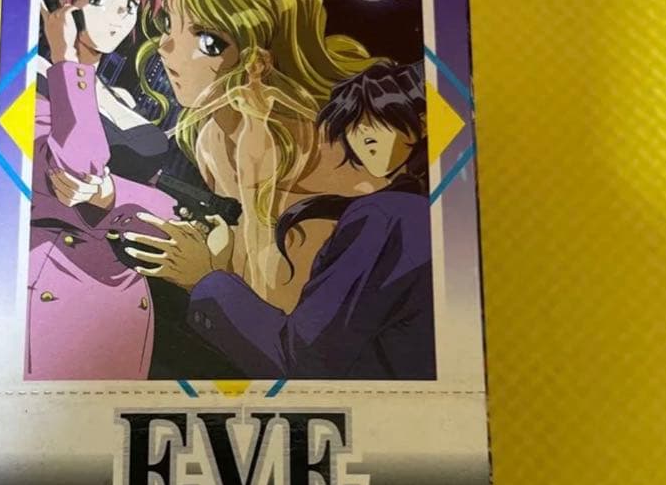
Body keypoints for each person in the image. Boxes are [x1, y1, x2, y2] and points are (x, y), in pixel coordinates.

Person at [122, 61, 436, 380]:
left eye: (376, 118)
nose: (361, 134)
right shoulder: (405, 211)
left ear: (423, 123)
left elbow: (303, 362)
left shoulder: (390, 216)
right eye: (354, 121)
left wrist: (203, 277)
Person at [135, 0, 381, 312]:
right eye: (168, 21)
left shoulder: (309, 150)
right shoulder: (211, 139)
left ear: (260, 60)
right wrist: (220, 250)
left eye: (208, 41)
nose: (167, 47)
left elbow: (281, 312)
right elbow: (249, 256)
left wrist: (204, 276)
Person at [26, 0, 174, 381]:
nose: (119, 16)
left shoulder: (119, 96)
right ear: (61, 6)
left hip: (126, 293)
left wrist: (116, 195)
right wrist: (66, 61)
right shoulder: (33, 82)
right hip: (60, 285)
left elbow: (165, 204)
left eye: (131, 5)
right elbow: (76, 173)